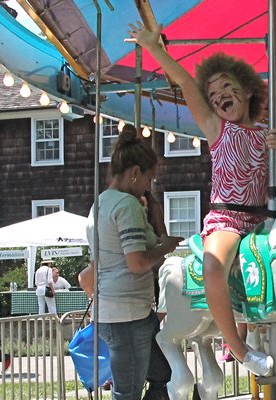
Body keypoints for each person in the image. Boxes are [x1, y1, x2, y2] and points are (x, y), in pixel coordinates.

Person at [126, 22, 276, 377]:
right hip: (228, 220)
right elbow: (184, 82)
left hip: (263, 219)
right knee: (215, 264)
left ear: (247, 93)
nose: (220, 96)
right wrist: (155, 48)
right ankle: (238, 348)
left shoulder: (267, 133)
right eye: (214, 96)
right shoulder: (218, 129)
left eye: (228, 88)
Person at [86, 124, 182, 400]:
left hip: (115, 308)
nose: (147, 186)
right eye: (148, 180)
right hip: (126, 312)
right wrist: (164, 247)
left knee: (158, 374)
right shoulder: (126, 206)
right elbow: (137, 262)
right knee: (128, 391)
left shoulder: (101, 203)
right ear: (135, 173)